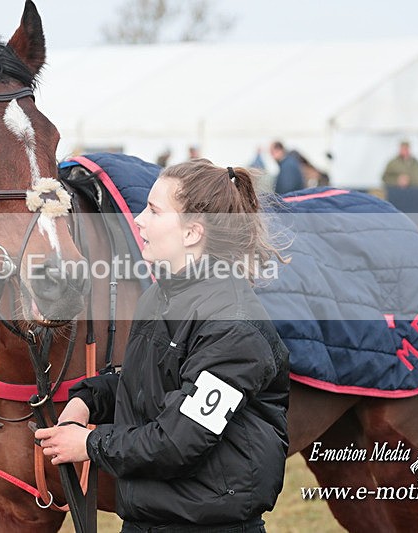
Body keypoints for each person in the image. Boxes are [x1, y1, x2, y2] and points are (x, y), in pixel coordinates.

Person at [35, 160, 290, 532]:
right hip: (147, 522)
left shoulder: (234, 328)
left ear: (192, 233)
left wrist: (90, 444)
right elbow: (151, 385)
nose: (138, 220)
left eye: (154, 211)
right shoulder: (159, 297)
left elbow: (179, 441)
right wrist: (86, 399)